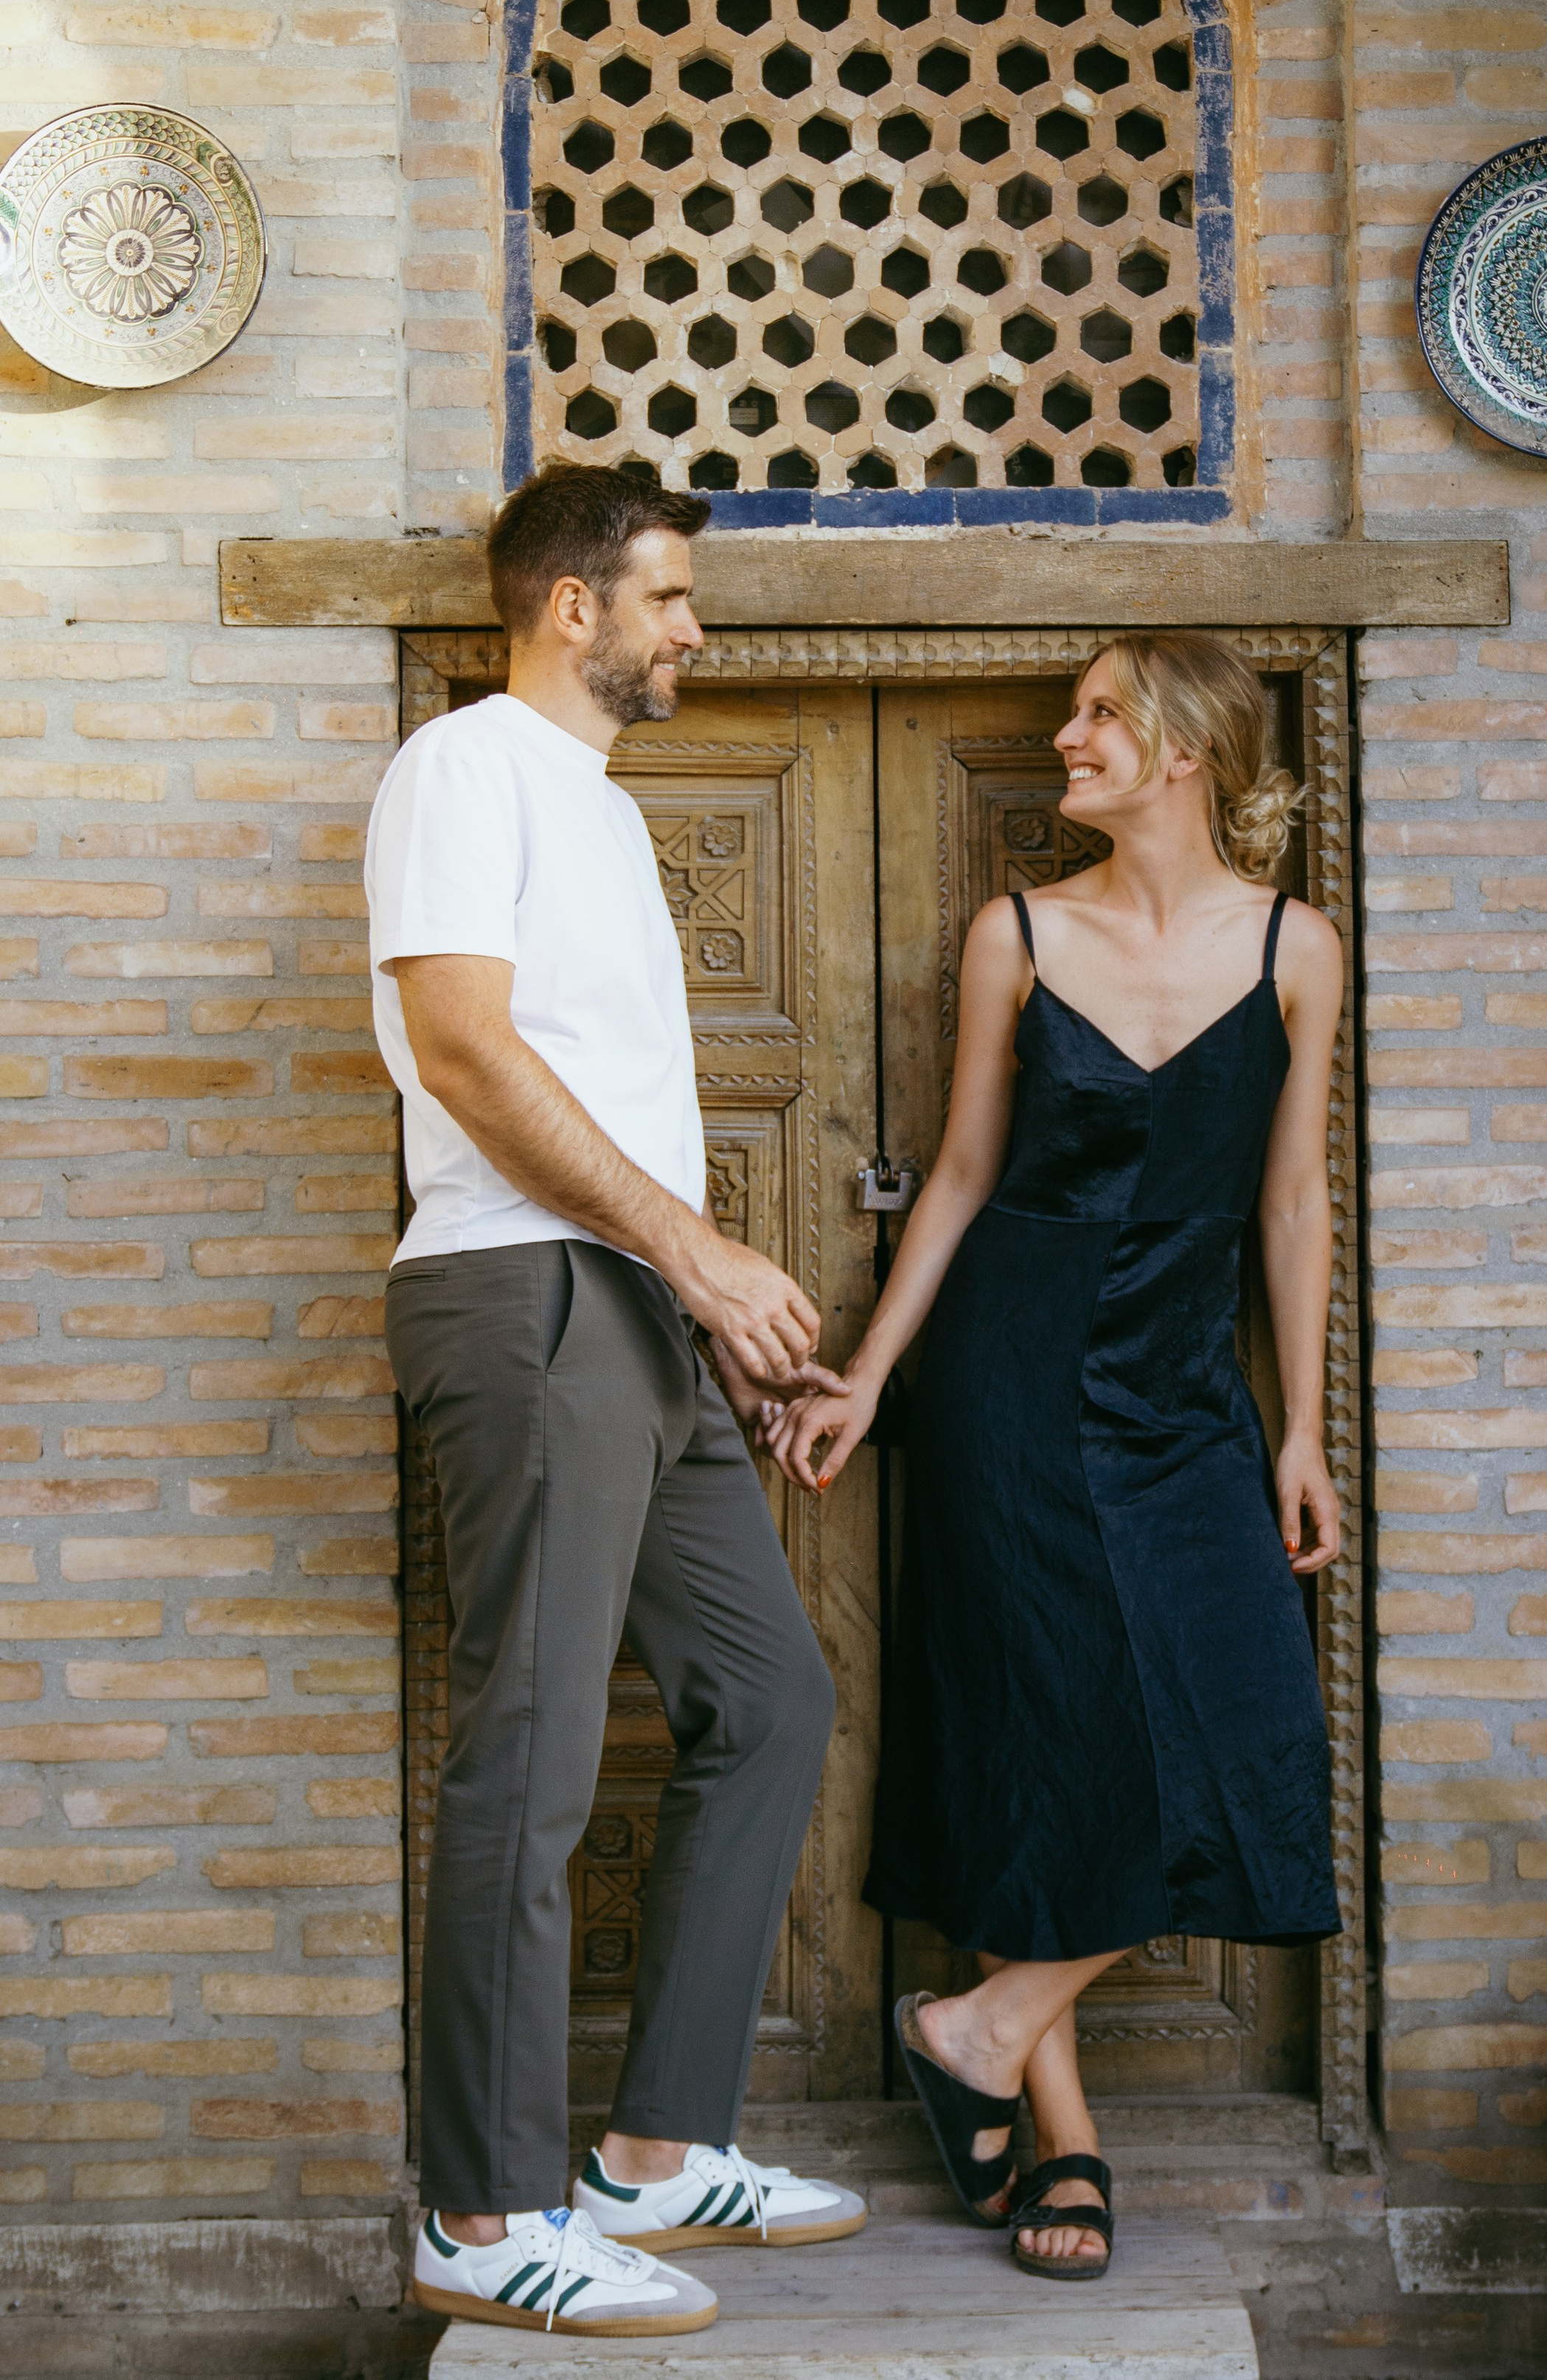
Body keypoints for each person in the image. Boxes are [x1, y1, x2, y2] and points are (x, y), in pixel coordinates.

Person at [764, 633, 1343, 2285]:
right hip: (1004, 1379)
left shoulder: (1296, 950)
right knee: (1051, 1731)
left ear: (1186, 752)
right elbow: (954, 1176)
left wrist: (1295, 1424)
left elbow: (1289, 1202)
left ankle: (984, 2018)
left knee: (1248, 1714)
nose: (1062, 735)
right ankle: (1064, 2127)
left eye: (1099, 712)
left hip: (1177, 1389)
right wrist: (872, 1375)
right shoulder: (1012, 931)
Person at [368, 459, 866, 2341]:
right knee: (534, 1745)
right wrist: (703, 1252)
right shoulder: (465, 769)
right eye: (669, 597)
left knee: (771, 1692)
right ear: (571, 605)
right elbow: (466, 1052)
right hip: (521, 1293)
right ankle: (480, 2212)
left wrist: (706, 1293)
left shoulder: (594, 805)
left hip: (636, 1309)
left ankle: (655, 2151)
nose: (693, 631)